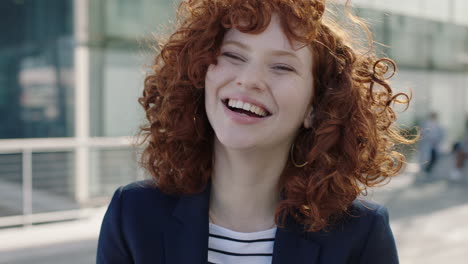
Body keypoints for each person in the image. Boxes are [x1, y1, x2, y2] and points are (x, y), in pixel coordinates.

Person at [97, 0, 414, 263]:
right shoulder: (134, 215)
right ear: (200, 73)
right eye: (233, 55)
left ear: (315, 107)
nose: (248, 80)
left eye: (282, 66)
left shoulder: (361, 235)